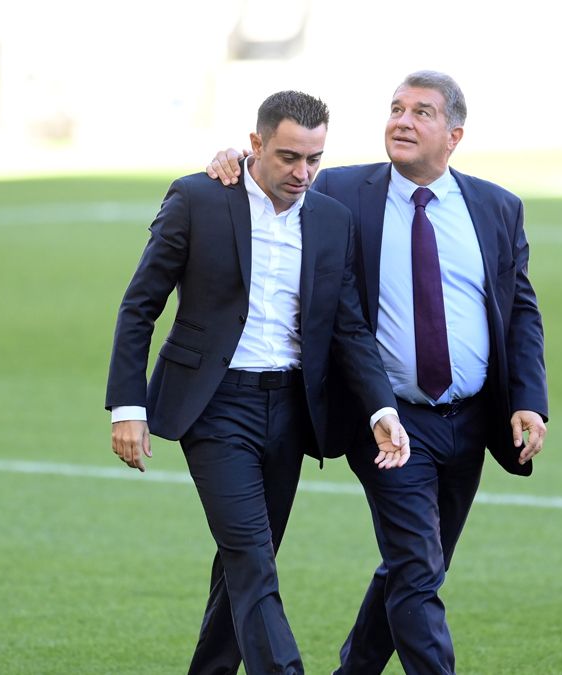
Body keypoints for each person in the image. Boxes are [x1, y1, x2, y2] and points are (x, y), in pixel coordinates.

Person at [206, 71, 549, 674]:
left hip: (469, 420)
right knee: (417, 569)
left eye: (422, 112)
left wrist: (528, 399)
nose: (403, 120)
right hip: (386, 419)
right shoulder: (339, 191)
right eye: (396, 108)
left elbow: (519, 309)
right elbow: (272, 172)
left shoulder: (497, 207)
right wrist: (234, 158)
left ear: (454, 134)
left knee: (417, 564)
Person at [106, 90, 411, 675]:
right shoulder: (198, 198)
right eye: (289, 157)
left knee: (245, 561)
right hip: (215, 407)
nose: (303, 173)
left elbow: (348, 326)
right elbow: (140, 304)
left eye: (314, 159)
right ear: (254, 145)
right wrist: (127, 405)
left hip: (291, 409)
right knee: (253, 562)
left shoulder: (331, 218)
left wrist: (381, 408)